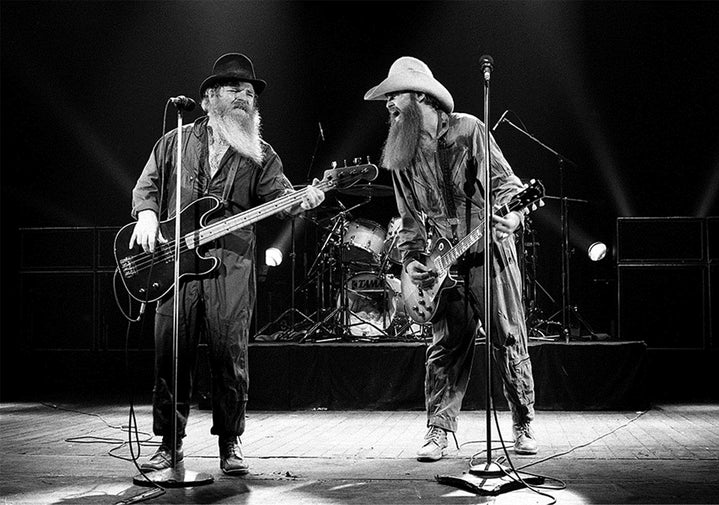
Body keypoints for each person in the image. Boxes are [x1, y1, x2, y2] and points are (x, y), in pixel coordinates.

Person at [129, 53, 325, 475]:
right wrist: (146, 213)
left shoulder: (260, 153)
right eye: (235, 90)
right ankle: (168, 443)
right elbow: (146, 185)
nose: (245, 97)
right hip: (176, 265)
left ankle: (230, 444)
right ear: (208, 99)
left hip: (231, 264)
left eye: (250, 92)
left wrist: (303, 200)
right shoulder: (175, 141)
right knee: (171, 353)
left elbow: (282, 199)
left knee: (229, 354)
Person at [364, 56, 538, 461]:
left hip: (489, 247)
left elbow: (508, 184)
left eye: (395, 96)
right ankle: (438, 431)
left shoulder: (469, 129)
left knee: (508, 335)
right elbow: (409, 220)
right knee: (445, 347)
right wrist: (411, 262)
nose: (388, 105)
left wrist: (512, 215)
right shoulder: (400, 151)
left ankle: (523, 420)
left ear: (421, 96)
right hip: (443, 261)